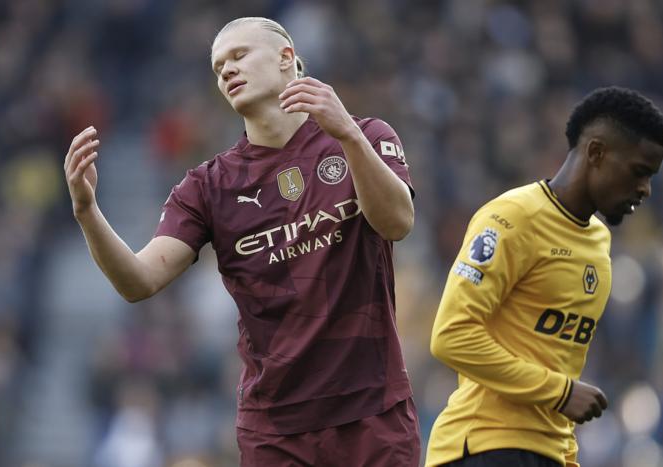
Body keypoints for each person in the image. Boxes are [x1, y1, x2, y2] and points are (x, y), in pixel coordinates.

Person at [64, 16, 420, 466]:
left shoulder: (366, 136)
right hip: (275, 430)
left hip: (373, 411)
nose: (227, 71)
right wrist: (87, 212)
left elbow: (397, 223)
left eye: (239, 55)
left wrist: (347, 134)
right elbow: (138, 281)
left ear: (286, 57)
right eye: (218, 68)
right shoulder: (207, 187)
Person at [425, 86, 663, 467]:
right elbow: (450, 336)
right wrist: (560, 392)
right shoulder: (511, 218)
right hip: (484, 446)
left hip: (548, 453)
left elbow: (560, 362)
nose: (646, 189)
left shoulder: (599, 244)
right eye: (639, 172)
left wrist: (566, 454)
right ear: (596, 153)